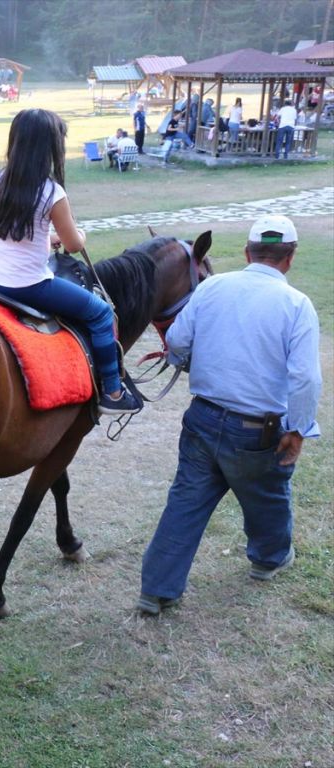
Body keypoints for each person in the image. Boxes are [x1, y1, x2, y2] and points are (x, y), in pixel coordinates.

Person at [138, 215, 321, 615]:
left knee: (185, 500)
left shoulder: (213, 287)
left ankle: (156, 589)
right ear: (290, 257)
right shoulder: (296, 305)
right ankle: (268, 560)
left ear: (246, 252)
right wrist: (298, 430)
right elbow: (305, 378)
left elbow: (178, 342)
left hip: (203, 418)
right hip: (259, 430)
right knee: (268, 496)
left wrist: (190, 359)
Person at [0, 109, 140, 415]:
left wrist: (47, 237)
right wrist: (80, 234)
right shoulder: (51, 191)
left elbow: (14, 232)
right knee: (101, 313)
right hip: (27, 285)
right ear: (49, 148)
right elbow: (74, 245)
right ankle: (113, 393)